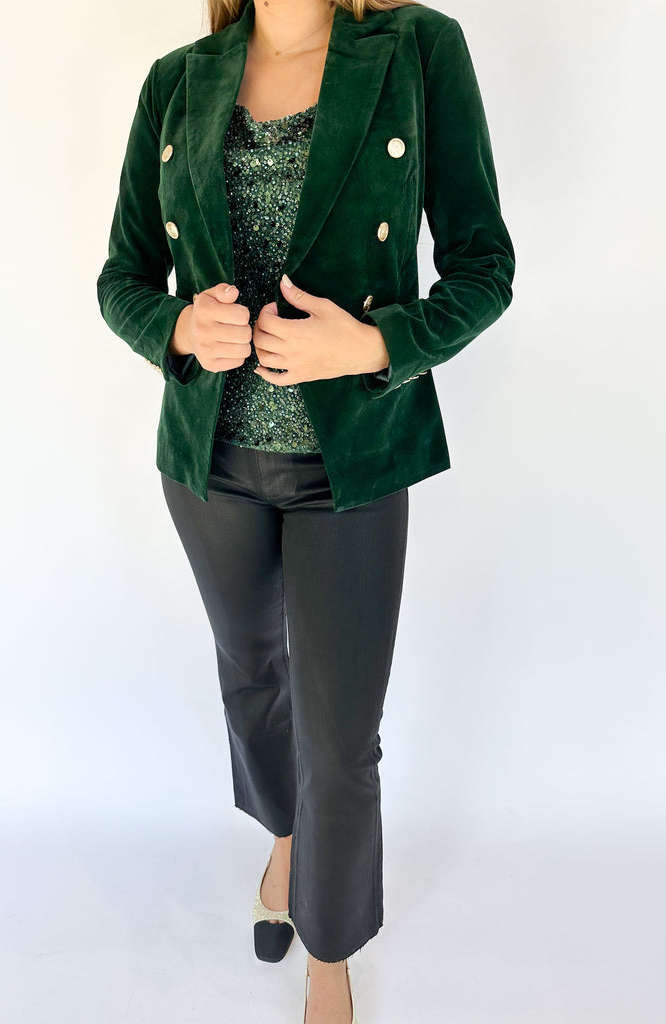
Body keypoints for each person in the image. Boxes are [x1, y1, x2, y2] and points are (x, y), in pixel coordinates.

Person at [96, 0, 515, 1020]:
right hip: (211, 465)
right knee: (252, 682)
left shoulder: (417, 50)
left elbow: (485, 267)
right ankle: (283, 841)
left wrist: (369, 345)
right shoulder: (178, 79)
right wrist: (179, 328)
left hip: (352, 464)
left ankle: (331, 955)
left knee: (340, 739)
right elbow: (122, 280)